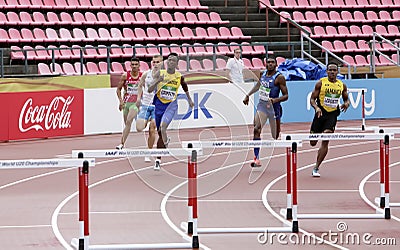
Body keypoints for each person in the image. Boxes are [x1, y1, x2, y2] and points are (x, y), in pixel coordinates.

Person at [148, 52, 194, 170]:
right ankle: (161, 151)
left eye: (173, 60)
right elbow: (149, 89)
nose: (170, 62)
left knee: (163, 128)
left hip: (170, 106)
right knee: (160, 132)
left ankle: (158, 159)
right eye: (169, 60)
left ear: (177, 63)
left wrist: (189, 99)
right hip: (159, 105)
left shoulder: (179, 76)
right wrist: (158, 81)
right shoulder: (160, 73)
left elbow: (184, 86)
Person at [243, 56, 288, 167]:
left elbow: (286, 96)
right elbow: (258, 85)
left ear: (276, 64)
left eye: (273, 62)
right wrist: (248, 95)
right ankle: (256, 158)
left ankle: (278, 125)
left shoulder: (279, 78)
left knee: (275, 135)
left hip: (274, 108)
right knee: (256, 128)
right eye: (268, 62)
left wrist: (275, 100)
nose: (270, 64)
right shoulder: (262, 74)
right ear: (265, 64)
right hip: (262, 106)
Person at [309, 62, 350, 177]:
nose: (332, 72)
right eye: (330, 70)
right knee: (312, 142)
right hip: (320, 114)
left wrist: (347, 104)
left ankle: (316, 167)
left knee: (326, 137)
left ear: (337, 72)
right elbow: (312, 99)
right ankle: (317, 136)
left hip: (332, 115)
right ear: (326, 71)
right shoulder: (321, 83)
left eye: (334, 70)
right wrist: (316, 108)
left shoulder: (342, 85)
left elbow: (346, 99)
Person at [135, 55, 163, 162]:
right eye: (154, 62)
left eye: (157, 62)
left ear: (161, 63)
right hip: (145, 105)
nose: (155, 64)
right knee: (140, 128)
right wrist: (138, 98)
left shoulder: (164, 76)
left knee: (152, 129)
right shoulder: (146, 74)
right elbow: (140, 85)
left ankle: (149, 151)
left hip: (156, 107)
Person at [116, 57, 142, 150]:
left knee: (129, 121)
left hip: (135, 104)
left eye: (136, 64)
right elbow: (118, 89)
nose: (134, 66)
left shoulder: (142, 76)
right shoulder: (125, 76)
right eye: (133, 64)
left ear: (139, 66)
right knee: (127, 124)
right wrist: (121, 101)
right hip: (126, 103)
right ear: (130, 65)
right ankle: (123, 144)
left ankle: (121, 143)